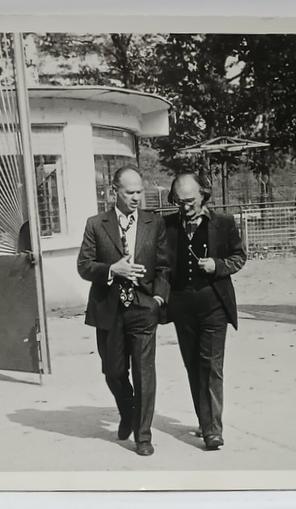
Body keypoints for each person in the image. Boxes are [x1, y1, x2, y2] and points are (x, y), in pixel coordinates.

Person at [77, 167, 170, 457]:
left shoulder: (154, 223)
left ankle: (143, 435)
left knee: (145, 374)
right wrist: (111, 269)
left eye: (139, 192)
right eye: (130, 192)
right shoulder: (96, 224)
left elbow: (165, 266)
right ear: (114, 191)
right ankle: (128, 410)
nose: (136, 197)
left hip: (144, 307)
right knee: (114, 371)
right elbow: (84, 265)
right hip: (109, 308)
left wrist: (158, 298)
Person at [161, 172, 247, 451]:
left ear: (204, 194)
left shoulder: (223, 223)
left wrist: (218, 266)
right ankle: (204, 419)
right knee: (193, 366)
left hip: (214, 305)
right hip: (182, 306)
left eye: (190, 200)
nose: (185, 206)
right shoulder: (166, 226)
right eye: (179, 201)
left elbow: (239, 257)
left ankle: (212, 431)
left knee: (211, 366)